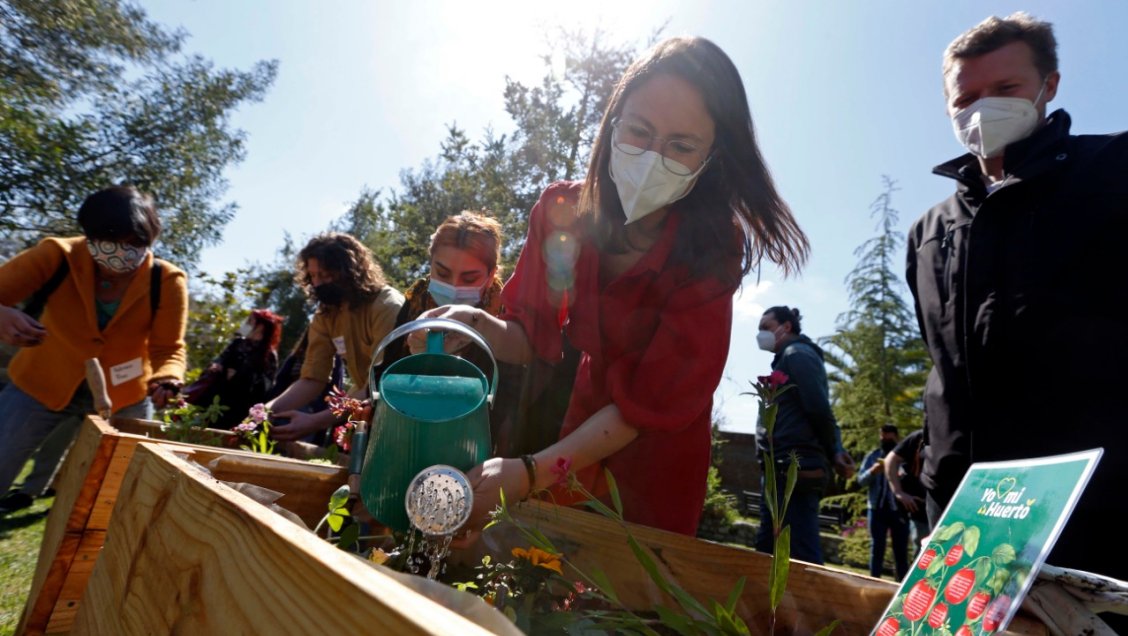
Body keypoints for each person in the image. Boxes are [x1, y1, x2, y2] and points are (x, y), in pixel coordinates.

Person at [411, 36, 811, 540]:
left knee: (627, 597)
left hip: (655, 456)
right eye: (639, 132)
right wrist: (473, 323)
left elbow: (650, 404)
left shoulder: (712, 247)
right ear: (613, 122)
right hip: (576, 437)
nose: (651, 158)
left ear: (712, 158)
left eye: (681, 146)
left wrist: (532, 471)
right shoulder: (562, 214)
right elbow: (530, 338)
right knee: (548, 582)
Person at [906, 11, 1128, 604]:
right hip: (962, 517)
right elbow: (950, 364)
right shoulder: (929, 233)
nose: (982, 109)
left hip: (1093, 511)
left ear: (1048, 85)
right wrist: (923, 447)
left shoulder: (1113, 173)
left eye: (1005, 90)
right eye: (967, 97)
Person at [0, 185, 188, 513]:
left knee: (117, 491)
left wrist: (167, 379)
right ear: (90, 234)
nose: (123, 252)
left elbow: (168, 348)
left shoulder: (167, 281)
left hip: (125, 396)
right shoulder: (56, 256)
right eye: (112, 242)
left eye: (135, 244)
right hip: (41, 382)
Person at [267, 233, 404, 442]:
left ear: (349, 271)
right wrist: (264, 413)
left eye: (324, 275)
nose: (317, 283)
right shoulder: (326, 316)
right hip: (362, 411)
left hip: (398, 412)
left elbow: (379, 383)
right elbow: (313, 378)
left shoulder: (386, 306)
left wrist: (315, 421)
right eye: (313, 276)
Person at [753, 306, 853, 564]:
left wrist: (835, 451)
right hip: (778, 467)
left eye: (766, 327)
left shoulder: (798, 355)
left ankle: (811, 602)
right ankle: (764, 603)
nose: (760, 334)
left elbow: (818, 408)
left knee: (799, 552)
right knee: (768, 546)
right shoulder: (786, 358)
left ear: (786, 327)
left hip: (795, 466)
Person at [185, 309, 284, 428]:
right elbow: (221, 358)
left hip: (240, 406)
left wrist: (241, 375)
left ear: (261, 327)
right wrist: (217, 366)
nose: (246, 324)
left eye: (250, 321)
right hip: (217, 397)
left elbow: (266, 385)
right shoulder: (238, 343)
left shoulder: (269, 355)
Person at [857, 424, 909, 580]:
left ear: (896, 437)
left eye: (889, 437)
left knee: (900, 551)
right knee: (877, 549)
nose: (885, 439)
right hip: (876, 509)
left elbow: (913, 480)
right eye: (882, 436)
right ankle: (874, 581)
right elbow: (860, 480)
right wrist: (872, 471)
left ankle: (900, 585)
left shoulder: (904, 458)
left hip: (899, 510)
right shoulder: (872, 456)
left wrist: (901, 477)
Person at [884, 427, 930, 557]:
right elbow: (890, 460)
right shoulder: (920, 437)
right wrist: (898, 492)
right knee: (923, 553)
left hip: (952, 509)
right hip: (920, 509)